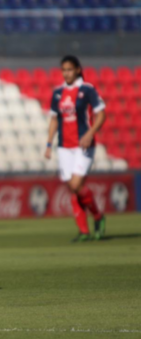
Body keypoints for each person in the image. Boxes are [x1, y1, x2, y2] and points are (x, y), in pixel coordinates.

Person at [45, 55, 107, 242]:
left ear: (78, 70)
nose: (67, 73)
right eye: (64, 70)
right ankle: (84, 231)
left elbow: (101, 114)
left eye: (70, 69)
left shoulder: (87, 90)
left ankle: (97, 215)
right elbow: (54, 120)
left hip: (83, 145)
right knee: (73, 189)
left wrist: (90, 133)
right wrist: (49, 144)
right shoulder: (58, 93)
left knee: (75, 184)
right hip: (64, 147)